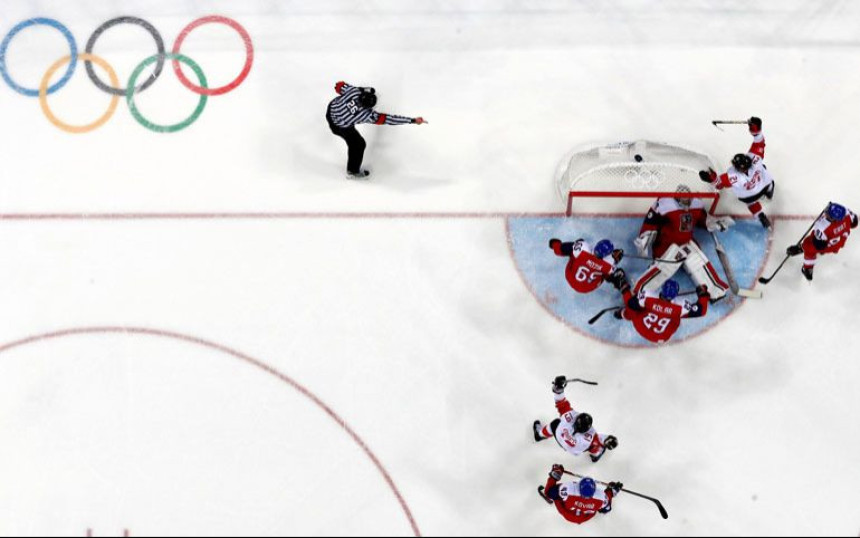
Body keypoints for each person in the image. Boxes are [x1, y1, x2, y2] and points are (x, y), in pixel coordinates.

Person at [632, 185, 733, 303]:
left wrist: (715, 223)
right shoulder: (664, 203)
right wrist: (645, 237)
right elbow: (650, 221)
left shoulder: (696, 203)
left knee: (698, 263)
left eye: (688, 200)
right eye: (683, 200)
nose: (687, 203)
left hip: (686, 242)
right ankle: (640, 291)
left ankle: (715, 291)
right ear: (677, 198)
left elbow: (704, 220)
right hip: (666, 245)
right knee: (664, 269)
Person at [326, 81, 426, 179]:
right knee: (359, 144)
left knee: (355, 139)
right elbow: (389, 119)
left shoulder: (354, 92)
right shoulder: (367, 115)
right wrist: (412, 120)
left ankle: (353, 169)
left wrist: (362, 89)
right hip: (339, 127)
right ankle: (352, 172)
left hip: (330, 110)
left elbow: (338, 85)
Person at [699, 116, 776, 229]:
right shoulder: (755, 158)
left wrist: (711, 177)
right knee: (766, 174)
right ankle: (769, 194)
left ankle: (760, 215)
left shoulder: (732, 175)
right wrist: (756, 129)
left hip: (748, 196)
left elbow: (718, 184)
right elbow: (759, 141)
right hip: (763, 186)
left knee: (750, 202)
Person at [608, 272, 711, 344]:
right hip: (661, 338)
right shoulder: (681, 306)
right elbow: (701, 311)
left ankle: (622, 314)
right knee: (678, 315)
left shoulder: (648, 296)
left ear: (662, 290)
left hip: (640, 327)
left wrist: (625, 290)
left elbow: (630, 305)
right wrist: (703, 295)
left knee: (634, 309)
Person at [533, 376, 618, 463]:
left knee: (555, 423)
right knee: (593, 443)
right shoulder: (589, 435)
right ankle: (596, 454)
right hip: (575, 449)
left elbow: (561, 402)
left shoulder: (570, 417)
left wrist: (558, 388)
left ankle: (539, 435)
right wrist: (606, 440)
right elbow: (598, 439)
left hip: (561, 437)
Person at [786, 202, 858, 281]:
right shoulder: (846, 213)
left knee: (808, 247)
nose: (826, 212)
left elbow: (818, 245)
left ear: (833, 219)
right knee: (815, 239)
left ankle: (807, 269)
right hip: (840, 240)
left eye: (828, 213)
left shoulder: (822, 227)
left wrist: (804, 247)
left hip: (828, 244)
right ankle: (809, 250)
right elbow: (855, 223)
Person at [538, 464, 622, 525]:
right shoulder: (601, 497)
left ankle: (556, 495)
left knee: (554, 492)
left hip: (568, 514)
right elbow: (606, 508)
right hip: (584, 517)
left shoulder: (569, 489)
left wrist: (555, 474)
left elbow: (549, 493)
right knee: (602, 506)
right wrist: (611, 492)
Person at [548, 238, 624, 294]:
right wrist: (615, 260)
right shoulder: (610, 265)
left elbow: (561, 249)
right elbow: (612, 278)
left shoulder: (582, 248)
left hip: (570, 276)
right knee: (606, 273)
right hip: (587, 288)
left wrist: (554, 244)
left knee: (575, 249)